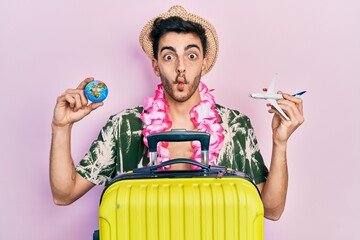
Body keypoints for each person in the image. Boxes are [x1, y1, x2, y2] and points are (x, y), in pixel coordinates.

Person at [49, 5, 304, 221]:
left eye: (191, 55)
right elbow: (64, 194)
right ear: (155, 66)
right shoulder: (124, 126)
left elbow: (271, 210)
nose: (181, 67)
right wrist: (61, 127)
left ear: (204, 62)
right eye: (169, 57)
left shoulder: (235, 125)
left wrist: (280, 143)